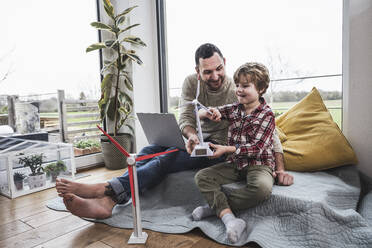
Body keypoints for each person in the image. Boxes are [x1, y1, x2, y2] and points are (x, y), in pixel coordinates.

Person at [56, 43, 293, 219]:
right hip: (195, 141)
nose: (215, 76)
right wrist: (190, 135)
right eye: (207, 71)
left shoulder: (239, 90)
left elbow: (269, 134)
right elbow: (187, 116)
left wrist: (279, 169)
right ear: (197, 70)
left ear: (225, 63)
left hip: (217, 151)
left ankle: (106, 191)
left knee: (165, 159)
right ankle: (109, 200)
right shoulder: (192, 83)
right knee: (148, 150)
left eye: (219, 69)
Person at [192, 62, 280, 243]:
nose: (239, 89)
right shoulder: (234, 109)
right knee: (202, 176)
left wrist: (226, 149)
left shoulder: (267, 114)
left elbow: (257, 147)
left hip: (259, 164)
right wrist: (210, 113)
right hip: (236, 163)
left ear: (261, 88)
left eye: (245, 86)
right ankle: (229, 219)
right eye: (238, 85)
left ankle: (217, 207)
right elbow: (200, 113)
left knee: (261, 188)